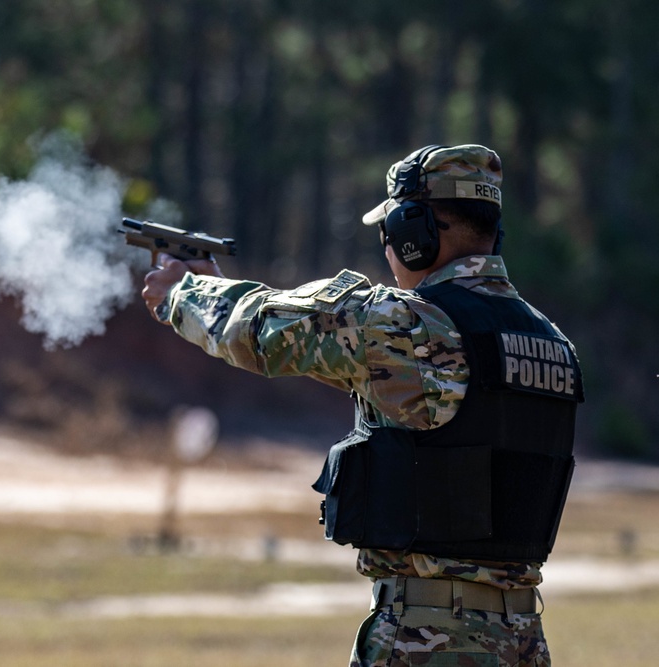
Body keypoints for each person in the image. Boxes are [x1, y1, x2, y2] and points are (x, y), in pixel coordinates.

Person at [140, 144, 583, 666]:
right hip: (525, 641)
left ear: (414, 233)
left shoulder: (408, 327)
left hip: (426, 640)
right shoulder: (553, 345)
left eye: (390, 232)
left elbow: (262, 331)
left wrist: (184, 293)